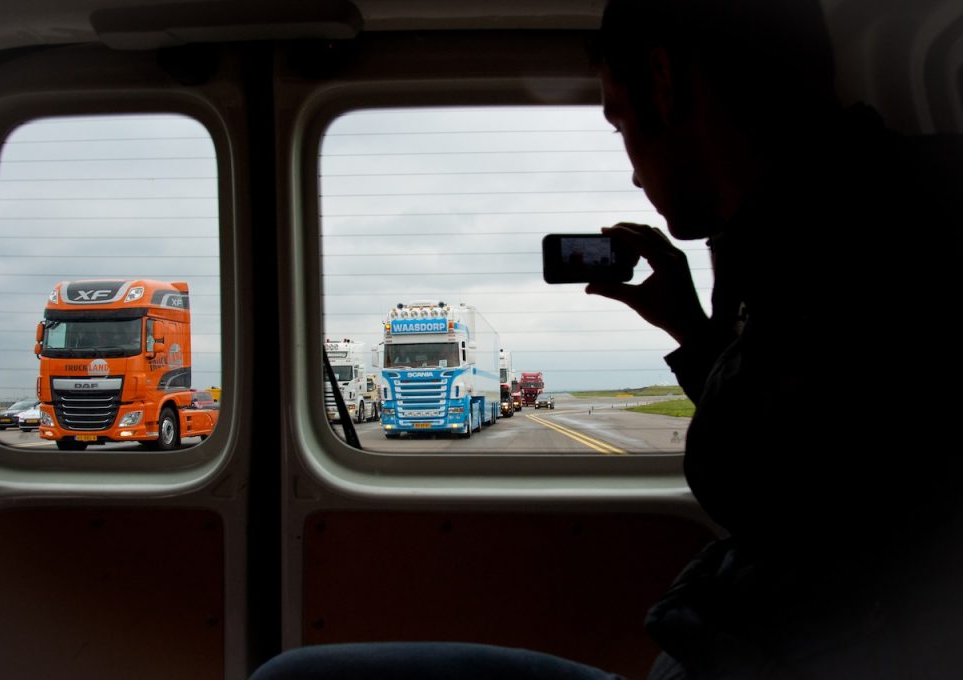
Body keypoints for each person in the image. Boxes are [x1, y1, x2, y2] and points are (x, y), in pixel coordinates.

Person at [251, 0, 962, 677]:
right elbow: (798, 468)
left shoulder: (842, 254)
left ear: (665, 79)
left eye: (620, 122)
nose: (629, 167)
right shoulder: (841, 229)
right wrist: (694, 326)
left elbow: (761, 481)